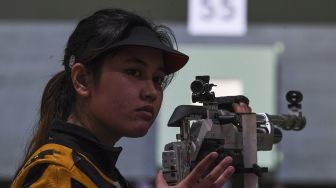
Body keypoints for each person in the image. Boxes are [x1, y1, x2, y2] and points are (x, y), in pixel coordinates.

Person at [11, 8, 251, 188]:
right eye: (134, 72)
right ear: (82, 80)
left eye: (157, 79)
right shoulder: (58, 174)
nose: (151, 91)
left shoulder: (99, 171)